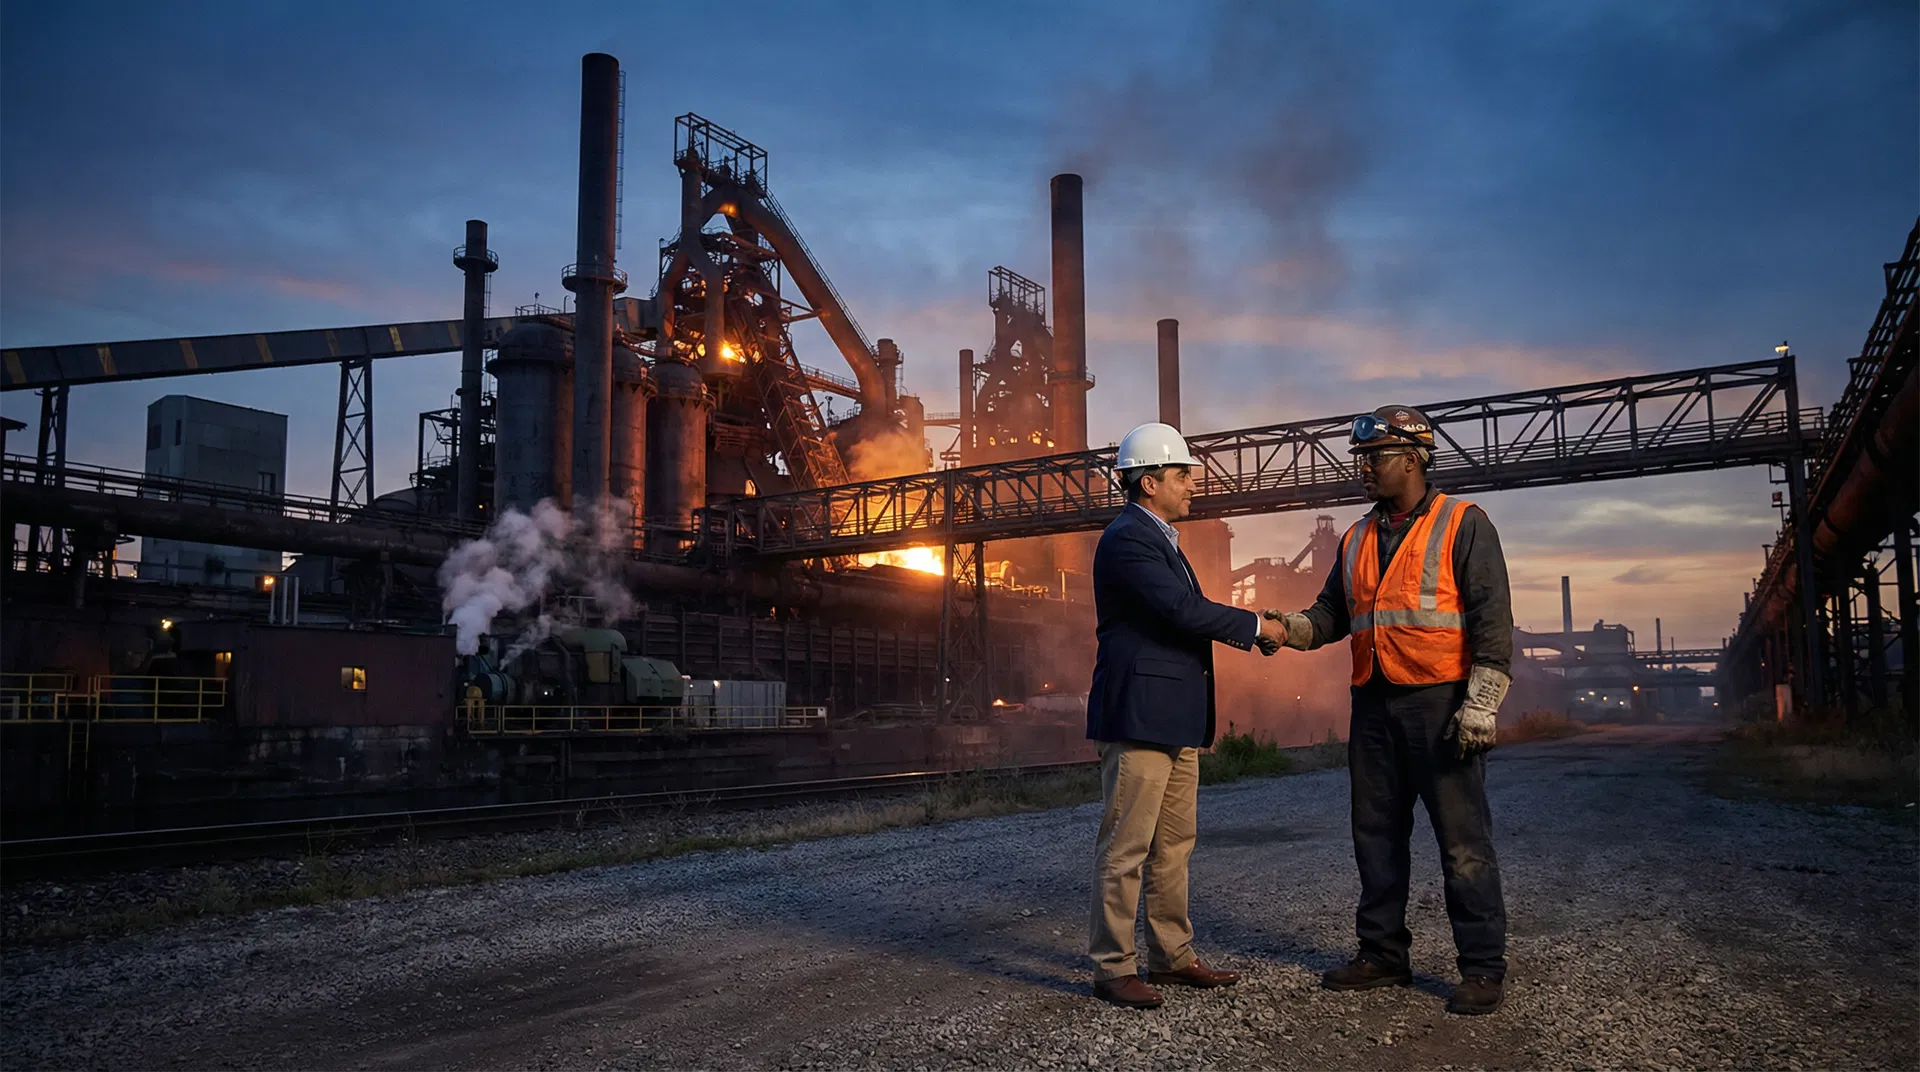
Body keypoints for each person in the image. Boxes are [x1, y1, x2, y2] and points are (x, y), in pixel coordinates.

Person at [1263, 405, 1515, 1016]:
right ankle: (1382, 956)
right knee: (1375, 835)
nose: (1365, 469)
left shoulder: (1463, 523)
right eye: (1362, 459)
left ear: (1413, 458)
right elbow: (1330, 615)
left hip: (1441, 702)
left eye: (1375, 458)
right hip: (1373, 701)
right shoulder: (1354, 538)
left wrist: (1480, 707)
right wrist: (1287, 628)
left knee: (1462, 841)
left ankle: (1481, 968)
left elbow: (1492, 624)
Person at [1085, 422, 1286, 1009]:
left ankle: (1171, 956)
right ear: (1149, 482)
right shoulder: (1127, 539)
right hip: (1141, 715)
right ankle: (1112, 966)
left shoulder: (1162, 538)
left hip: (1173, 716)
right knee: (1126, 847)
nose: (1193, 484)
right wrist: (1254, 628)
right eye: (1182, 474)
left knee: (1173, 844)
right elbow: (1179, 610)